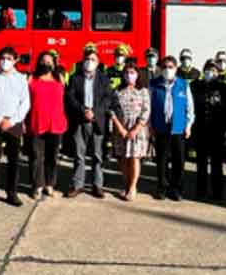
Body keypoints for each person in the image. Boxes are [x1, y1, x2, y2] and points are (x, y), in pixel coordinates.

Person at [0, 46, 30, 210]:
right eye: (2, 58)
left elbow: (25, 103)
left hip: (14, 124)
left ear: (15, 60)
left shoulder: (21, 78)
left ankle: (11, 193)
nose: (5, 61)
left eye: (9, 58)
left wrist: (13, 120)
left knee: (14, 161)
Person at [65, 47, 114, 199]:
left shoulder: (104, 79)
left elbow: (108, 99)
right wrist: (83, 110)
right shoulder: (75, 78)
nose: (89, 62)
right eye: (87, 59)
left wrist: (94, 112)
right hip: (80, 120)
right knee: (79, 155)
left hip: (97, 120)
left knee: (97, 155)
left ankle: (97, 185)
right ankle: (77, 184)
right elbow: (70, 98)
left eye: (93, 59)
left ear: (98, 62)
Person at [150, 56, 195, 201]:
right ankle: (162, 188)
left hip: (178, 128)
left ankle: (176, 189)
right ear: (160, 69)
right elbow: (148, 107)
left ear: (176, 68)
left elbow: (190, 108)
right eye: (164, 67)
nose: (167, 70)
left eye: (170, 67)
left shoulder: (183, 84)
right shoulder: (153, 84)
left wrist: (188, 126)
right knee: (162, 160)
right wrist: (150, 126)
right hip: (160, 127)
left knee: (179, 160)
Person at [26, 52, 68, 199]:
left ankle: (49, 184)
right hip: (36, 123)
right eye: (43, 61)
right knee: (36, 157)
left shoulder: (60, 79)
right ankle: (37, 185)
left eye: (49, 61)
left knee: (52, 157)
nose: (47, 63)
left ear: (54, 64)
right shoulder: (31, 78)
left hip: (56, 124)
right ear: (39, 63)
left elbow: (65, 101)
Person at [190, 60, 226, 201]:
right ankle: (200, 191)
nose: (210, 73)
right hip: (200, 130)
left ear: (217, 72)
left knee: (216, 164)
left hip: (217, 131)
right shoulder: (195, 86)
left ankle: (217, 192)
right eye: (208, 70)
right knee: (201, 163)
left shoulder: (223, 87)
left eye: (213, 70)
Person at [110, 62, 151, 201]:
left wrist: (136, 129)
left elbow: (146, 111)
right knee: (122, 159)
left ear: (137, 75)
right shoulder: (117, 91)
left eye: (132, 72)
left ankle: (133, 187)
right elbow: (112, 111)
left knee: (134, 158)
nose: (129, 75)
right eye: (127, 72)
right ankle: (126, 184)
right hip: (121, 129)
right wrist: (120, 128)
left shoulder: (143, 91)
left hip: (137, 130)